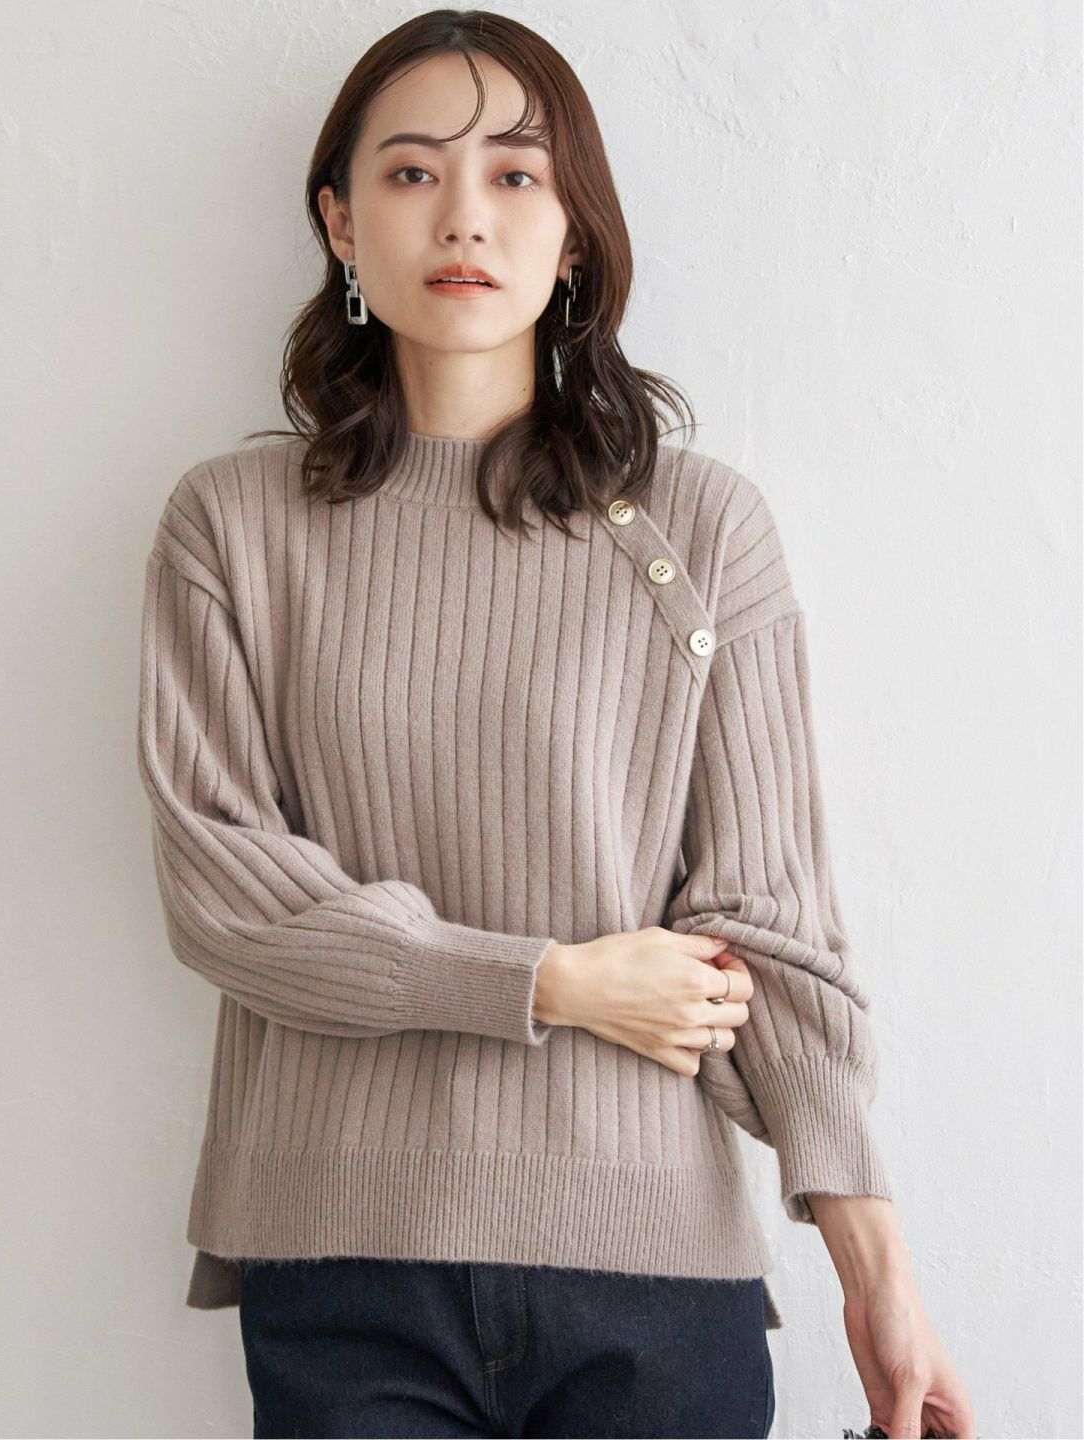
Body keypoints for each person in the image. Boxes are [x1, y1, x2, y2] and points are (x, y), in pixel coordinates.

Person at [136, 11, 976, 1439]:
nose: (464, 215)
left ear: (575, 232)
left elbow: (770, 933)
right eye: (411, 173)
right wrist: (553, 982)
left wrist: (876, 1273)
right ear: (339, 221)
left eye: (517, 175)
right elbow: (229, 897)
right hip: (344, 1257)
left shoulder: (701, 528)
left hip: (654, 1274)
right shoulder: (234, 525)